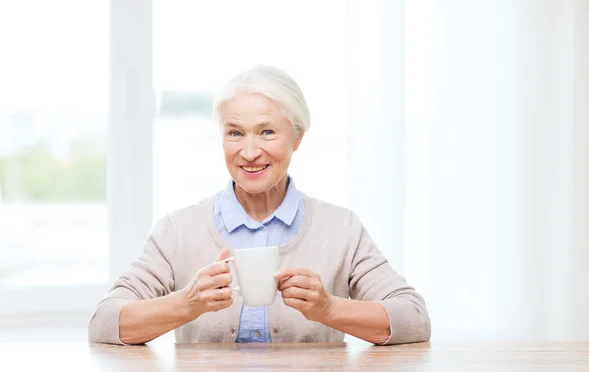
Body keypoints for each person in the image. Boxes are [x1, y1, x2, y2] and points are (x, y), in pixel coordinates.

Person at [89, 65, 430, 345]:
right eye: (235, 133)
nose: (249, 152)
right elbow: (104, 323)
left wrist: (328, 309)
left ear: (297, 137)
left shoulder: (341, 229)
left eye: (267, 132)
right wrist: (186, 304)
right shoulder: (178, 230)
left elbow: (413, 319)